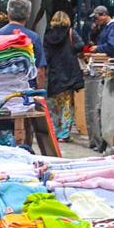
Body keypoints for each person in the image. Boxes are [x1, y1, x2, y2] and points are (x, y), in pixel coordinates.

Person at [44, 11, 84, 142]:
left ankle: (55, 130)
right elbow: (80, 45)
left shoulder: (48, 34)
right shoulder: (70, 32)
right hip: (69, 71)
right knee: (67, 104)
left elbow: (46, 55)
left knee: (55, 104)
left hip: (55, 73)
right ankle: (65, 133)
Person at [0, 0, 47, 88]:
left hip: (1, 90)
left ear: (8, 12)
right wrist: (39, 94)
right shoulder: (33, 38)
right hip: (27, 92)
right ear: (28, 15)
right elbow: (40, 71)